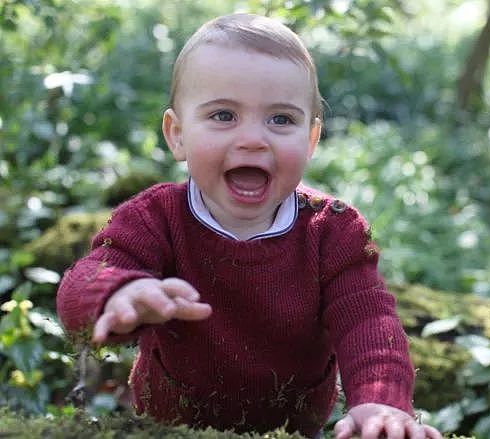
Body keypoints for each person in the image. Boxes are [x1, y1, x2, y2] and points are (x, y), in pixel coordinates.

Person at [56, 13, 443, 439]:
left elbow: (368, 320)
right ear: (177, 134)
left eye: (280, 119)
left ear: (311, 140)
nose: (254, 139)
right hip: (167, 427)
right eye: (223, 115)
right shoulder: (155, 218)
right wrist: (120, 290)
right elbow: (82, 283)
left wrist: (379, 401)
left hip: (292, 429)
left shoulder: (332, 232)